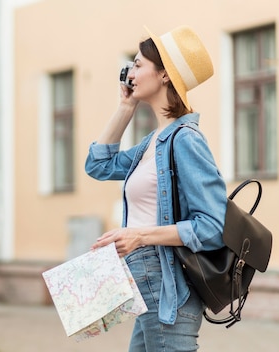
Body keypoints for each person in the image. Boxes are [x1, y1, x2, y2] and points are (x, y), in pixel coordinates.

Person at [85, 25, 227, 351]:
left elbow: (213, 226)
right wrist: (125, 108)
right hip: (146, 281)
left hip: (166, 283)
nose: (130, 73)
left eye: (137, 65)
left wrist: (140, 235)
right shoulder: (154, 143)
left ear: (164, 75)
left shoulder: (186, 140)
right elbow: (98, 165)